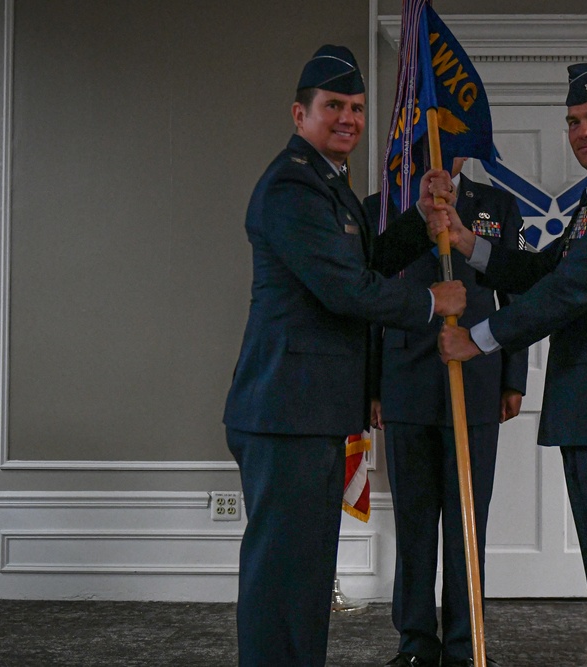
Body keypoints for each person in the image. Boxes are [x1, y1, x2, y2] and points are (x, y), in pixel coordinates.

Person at [222, 45, 465, 667]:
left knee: (303, 575)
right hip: (286, 410)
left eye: (357, 107)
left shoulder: (327, 183)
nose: (349, 118)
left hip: (311, 411)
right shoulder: (290, 187)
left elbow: (366, 260)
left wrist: (418, 217)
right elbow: (344, 288)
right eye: (334, 106)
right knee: (284, 579)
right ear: (300, 113)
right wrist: (429, 303)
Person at [436, 64, 587, 666]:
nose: (583, 132)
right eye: (574, 122)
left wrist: (480, 338)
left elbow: (571, 291)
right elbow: (546, 270)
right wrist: (468, 242)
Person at [364, 158, 528, 667]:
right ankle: (415, 644)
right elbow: (367, 298)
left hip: (477, 382)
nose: (439, 151)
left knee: (466, 524)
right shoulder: (383, 209)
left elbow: (515, 293)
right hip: (406, 382)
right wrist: (372, 385)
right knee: (414, 525)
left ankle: (464, 645)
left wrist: (513, 378)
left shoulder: (497, 206)